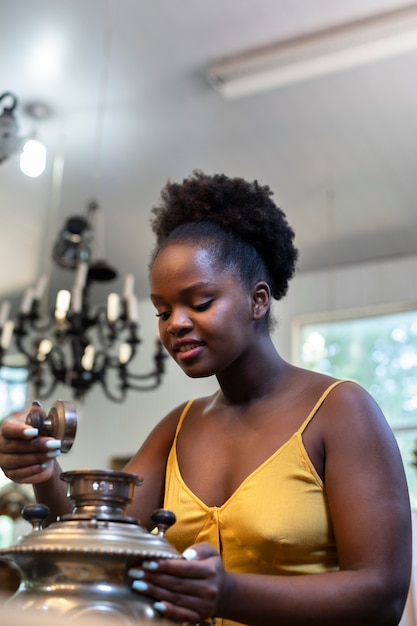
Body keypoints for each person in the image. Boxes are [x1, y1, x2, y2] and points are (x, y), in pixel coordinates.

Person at [0, 171, 412, 626]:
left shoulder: (341, 411)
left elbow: (382, 597)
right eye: (162, 310)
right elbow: (95, 552)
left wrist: (230, 592)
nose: (174, 323)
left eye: (198, 302)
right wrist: (43, 468)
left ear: (259, 301)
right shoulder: (177, 428)